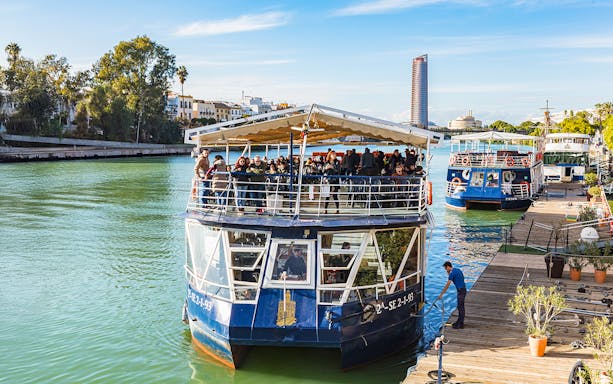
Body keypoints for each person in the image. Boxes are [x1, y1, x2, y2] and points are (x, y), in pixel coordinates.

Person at [438, 261, 466, 329]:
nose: (445, 270)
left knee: (460, 307)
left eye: (445, 268)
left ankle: (461, 324)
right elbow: (461, 278)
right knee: (460, 307)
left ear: (448, 267)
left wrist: (441, 294)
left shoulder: (452, 274)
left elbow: (447, 285)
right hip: (463, 289)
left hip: (460, 291)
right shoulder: (457, 270)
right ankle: (460, 322)